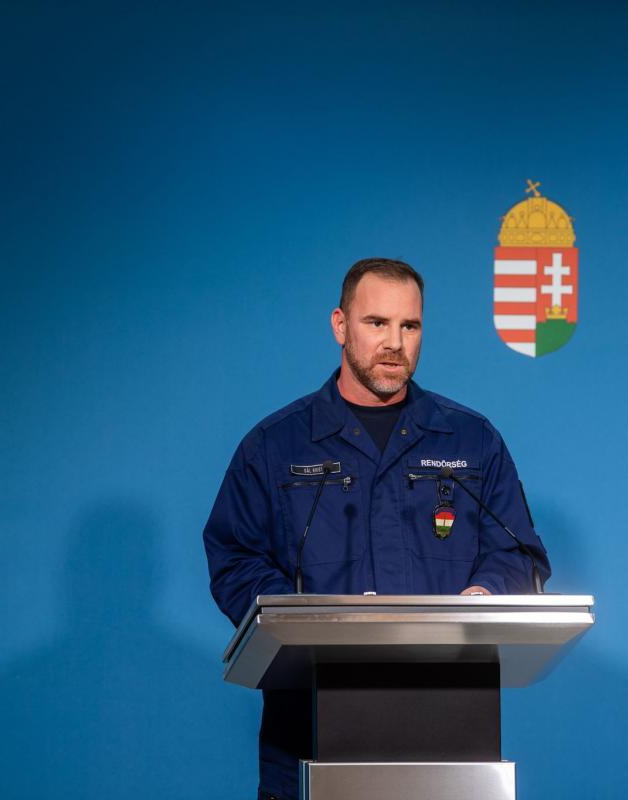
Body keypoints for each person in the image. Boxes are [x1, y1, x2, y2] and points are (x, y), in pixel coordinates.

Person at [202, 257, 551, 800]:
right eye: (377, 323)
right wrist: (308, 622)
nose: (394, 342)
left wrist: (483, 597)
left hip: (450, 744)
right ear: (340, 326)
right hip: (308, 743)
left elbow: (519, 554)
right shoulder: (275, 446)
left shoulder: (471, 440)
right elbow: (234, 558)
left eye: (409, 326)